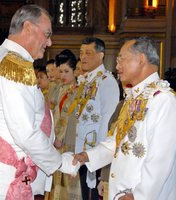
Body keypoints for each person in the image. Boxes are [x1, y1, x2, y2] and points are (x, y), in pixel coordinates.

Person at [0, 4, 79, 200]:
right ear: (29, 28)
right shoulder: (13, 66)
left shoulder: (7, 59)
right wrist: (59, 163)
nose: (49, 42)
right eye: (47, 34)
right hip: (7, 180)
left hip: (2, 177)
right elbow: (25, 131)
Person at [73, 37, 176, 200]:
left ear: (141, 59)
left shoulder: (163, 100)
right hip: (121, 192)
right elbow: (116, 141)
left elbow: (160, 161)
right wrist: (87, 156)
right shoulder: (132, 98)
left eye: (122, 59)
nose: (117, 66)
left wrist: (138, 196)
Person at [72, 37, 120, 200]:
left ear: (101, 55)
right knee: (84, 193)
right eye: (81, 53)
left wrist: (99, 153)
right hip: (82, 147)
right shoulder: (86, 80)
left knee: (93, 194)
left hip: (95, 150)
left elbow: (108, 120)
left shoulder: (106, 81)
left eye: (88, 53)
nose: (83, 57)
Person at [46, 49, 82, 200]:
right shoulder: (58, 88)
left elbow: (67, 116)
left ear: (75, 71)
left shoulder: (79, 90)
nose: (62, 75)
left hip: (69, 139)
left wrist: (59, 137)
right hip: (56, 138)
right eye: (60, 71)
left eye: (66, 71)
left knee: (68, 178)